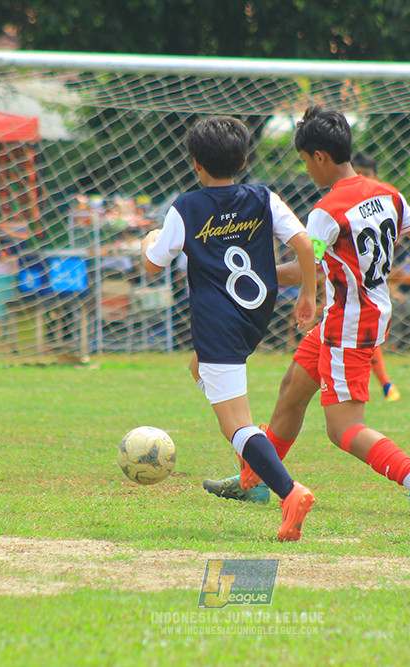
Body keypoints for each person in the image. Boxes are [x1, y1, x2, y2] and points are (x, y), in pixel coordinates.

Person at [204, 106, 410, 518]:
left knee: (342, 428)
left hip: (350, 322)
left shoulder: (327, 211)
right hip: (358, 312)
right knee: (292, 390)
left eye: (304, 162)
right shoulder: (387, 194)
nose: (307, 171)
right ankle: (257, 479)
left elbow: (310, 268)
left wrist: (248, 277)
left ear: (319, 156)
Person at [141, 115, 319, 541]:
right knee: (197, 367)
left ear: (196, 163)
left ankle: (288, 490)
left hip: (219, 322)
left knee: (235, 425)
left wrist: (149, 239)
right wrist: (309, 294)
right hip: (254, 315)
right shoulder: (264, 198)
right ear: (243, 159)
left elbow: (151, 267)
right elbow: (305, 245)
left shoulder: (187, 207)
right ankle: (253, 462)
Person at [350, 152, 400, 401]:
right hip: (346, 287)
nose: (360, 179)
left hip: (373, 287)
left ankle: (384, 384)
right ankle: (385, 384)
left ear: (375, 177)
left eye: (366, 175)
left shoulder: (387, 203)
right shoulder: (341, 206)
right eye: (356, 173)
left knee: (369, 338)